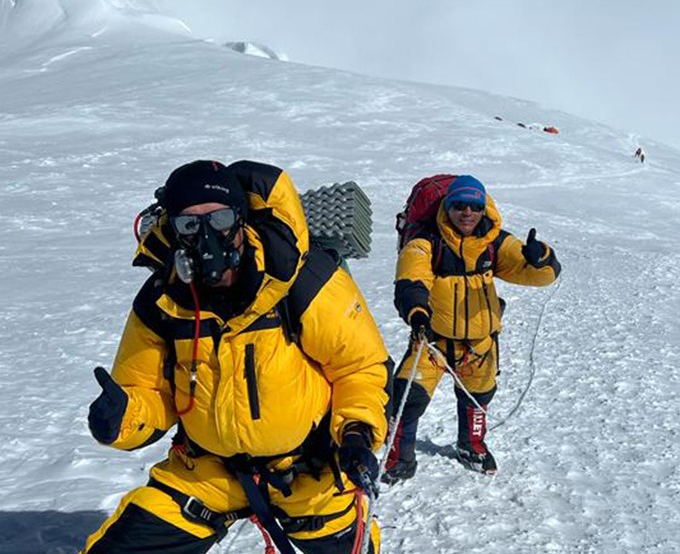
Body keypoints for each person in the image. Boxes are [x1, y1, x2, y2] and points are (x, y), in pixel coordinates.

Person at [81, 160, 392, 554]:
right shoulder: (163, 298)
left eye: (220, 218)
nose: (207, 236)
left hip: (307, 473)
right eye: (189, 225)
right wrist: (122, 417)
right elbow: (149, 391)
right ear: (172, 231)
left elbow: (360, 367)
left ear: (241, 220)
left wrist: (356, 433)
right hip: (207, 473)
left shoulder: (301, 279)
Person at [383, 175, 561, 483]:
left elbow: (542, 276)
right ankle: (399, 457)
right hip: (432, 340)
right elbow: (411, 276)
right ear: (447, 208)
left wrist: (542, 258)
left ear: (484, 208)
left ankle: (472, 446)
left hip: (480, 345)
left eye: (475, 206)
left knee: (478, 399)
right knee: (407, 399)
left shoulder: (495, 242)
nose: (467, 212)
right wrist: (416, 311)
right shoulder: (426, 241)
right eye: (459, 205)